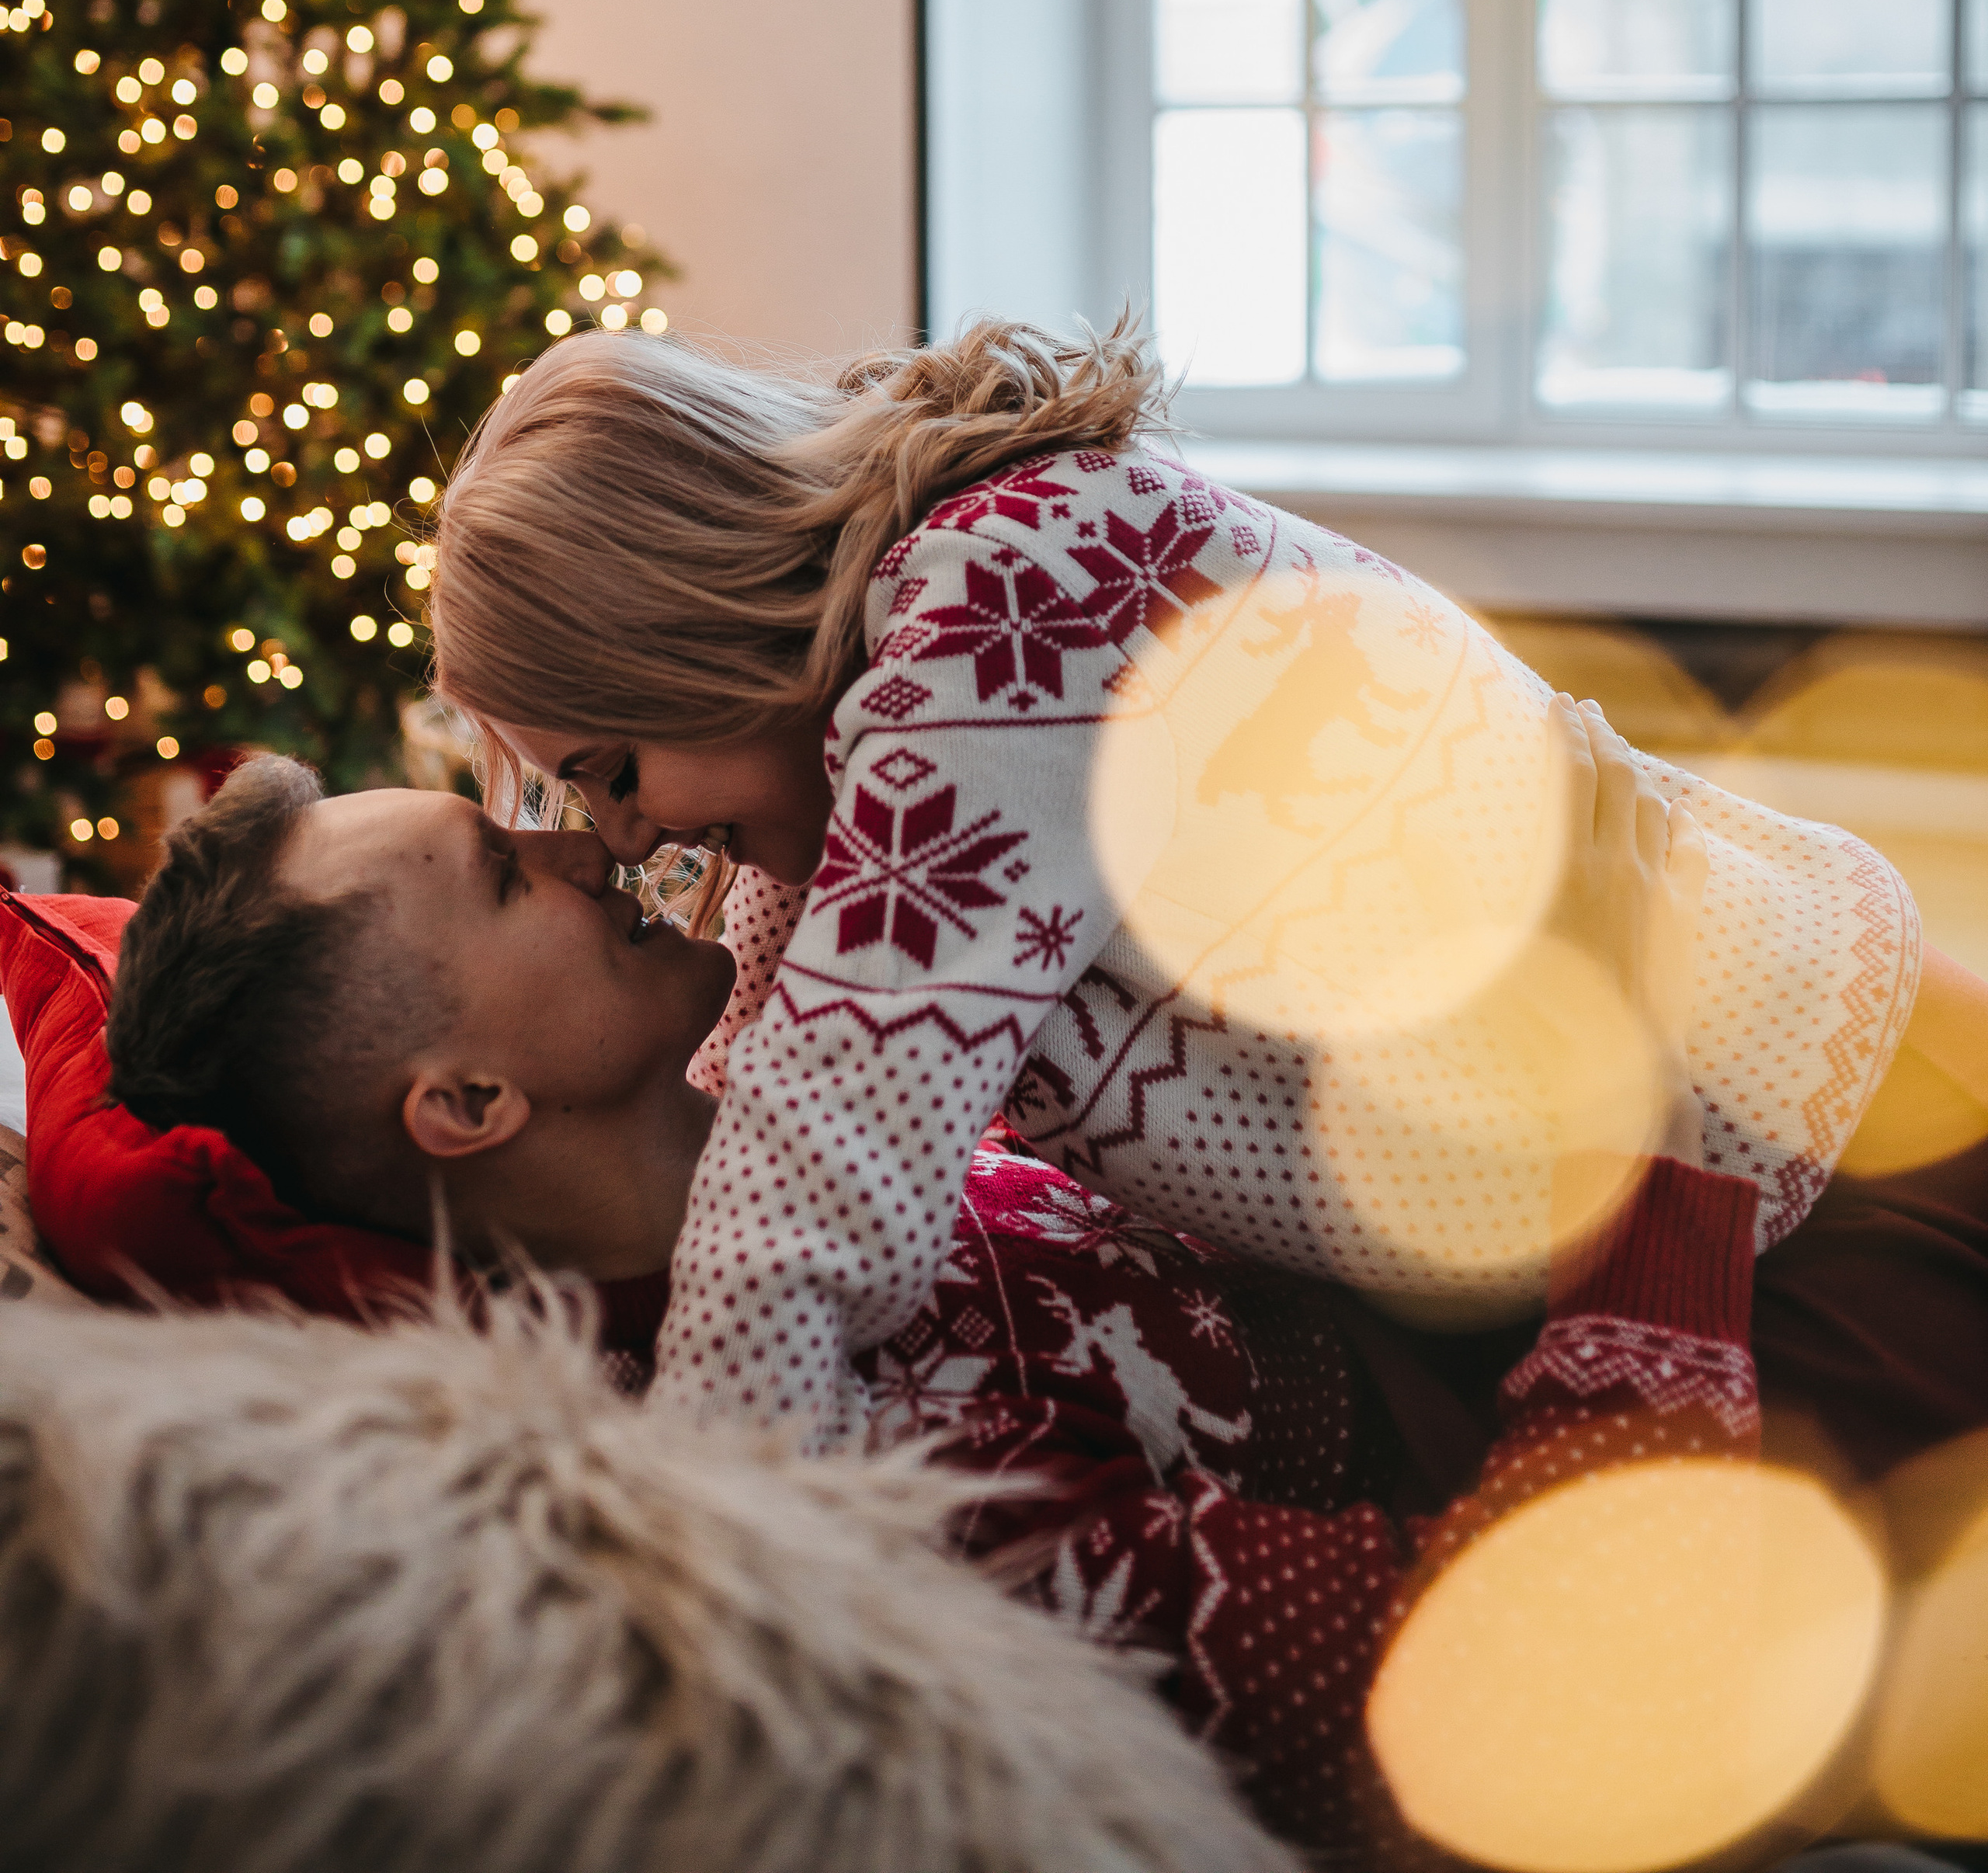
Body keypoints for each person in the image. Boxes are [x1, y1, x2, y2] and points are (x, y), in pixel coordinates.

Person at [104, 712, 1777, 1858]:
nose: (585, 852)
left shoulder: (817, 1078)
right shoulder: (867, 1476)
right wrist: (1659, 1176)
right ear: (465, 1106)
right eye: (501, 875)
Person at [423, 320, 1972, 1448]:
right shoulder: (846, 773)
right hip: (1626, 1206)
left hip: (1818, 1142)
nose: (623, 843)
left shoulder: (1011, 599)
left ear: (697, 632)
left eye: (613, 770)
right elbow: (751, 1079)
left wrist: (681, 1539)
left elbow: (819, 1153)